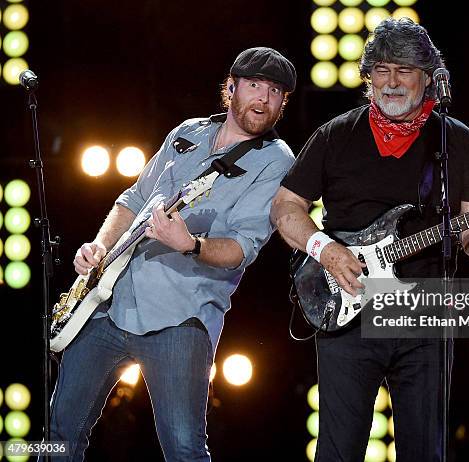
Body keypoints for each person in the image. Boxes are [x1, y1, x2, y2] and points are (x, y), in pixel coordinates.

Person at [271, 18, 469, 462]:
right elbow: (284, 208)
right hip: (349, 307)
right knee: (338, 451)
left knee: (425, 450)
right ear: (368, 75)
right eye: (381, 69)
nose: (392, 82)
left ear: (429, 77)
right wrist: (325, 248)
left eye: (404, 70)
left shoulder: (458, 143)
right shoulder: (336, 134)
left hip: (423, 316)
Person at [49, 47, 296, 461]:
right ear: (231, 87)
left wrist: (191, 244)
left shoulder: (276, 161)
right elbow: (133, 198)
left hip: (181, 319)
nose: (264, 99)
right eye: (255, 86)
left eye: (275, 92)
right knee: (58, 433)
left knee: (184, 449)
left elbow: (242, 248)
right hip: (109, 302)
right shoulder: (189, 131)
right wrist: (99, 247)